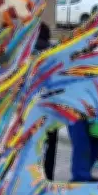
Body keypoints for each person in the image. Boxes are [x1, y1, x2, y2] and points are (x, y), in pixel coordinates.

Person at [34, 22, 57, 181]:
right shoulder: (54, 52)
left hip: (32, 105)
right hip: (52, 104)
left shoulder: (28, 52)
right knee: (50, 144)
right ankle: (48, 177)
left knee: (32, 143)